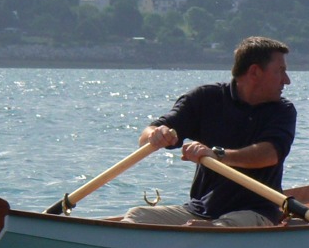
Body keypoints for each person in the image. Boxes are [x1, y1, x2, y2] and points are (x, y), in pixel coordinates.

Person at [122, 36, 296, 227]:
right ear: (255, 72)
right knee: (136, 216)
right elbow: (147, 134)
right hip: (201, 210)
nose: (286, 80)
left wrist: (217, 155)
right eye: (280, 72)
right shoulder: (206, 98)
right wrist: (156, 135)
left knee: (221, 227)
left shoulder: (282, 111)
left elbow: (269, 155)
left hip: (256, 212)